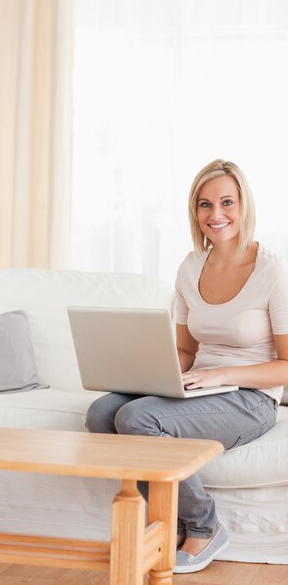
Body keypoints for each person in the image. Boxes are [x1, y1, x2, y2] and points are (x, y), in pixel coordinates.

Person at [85, 159, 288, 574]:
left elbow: (285, 366)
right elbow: (185, 350)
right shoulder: (191, 265)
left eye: (227, 202)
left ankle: (204, 526)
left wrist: (223, 375)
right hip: (200, 385)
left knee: (138, 419)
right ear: (194, 212)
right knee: (102, 412)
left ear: (244, 205)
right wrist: (150, 372)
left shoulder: (274, 272)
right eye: (204, 204)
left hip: (250, 397)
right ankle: (171, 523)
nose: (216, 215)